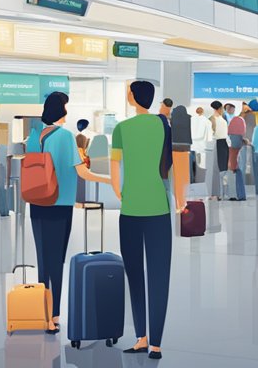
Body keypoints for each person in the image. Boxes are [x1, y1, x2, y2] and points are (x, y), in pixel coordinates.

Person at [26, 91, 113, 334]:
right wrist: (110, 181)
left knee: (43, 260)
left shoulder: (34, 136)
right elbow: (82, 173)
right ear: (60, 109)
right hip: (59, 204)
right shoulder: (64, 137)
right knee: (57, 262)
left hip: (36, 202)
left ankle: (44, 313)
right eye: (65, 106)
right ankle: (53, 316)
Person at [112, 80, 172, 360]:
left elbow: (115, 171)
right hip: (159, 207)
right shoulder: (163, 125)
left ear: (132, 97)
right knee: (159, 276)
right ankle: (156, 344)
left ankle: (141, 337)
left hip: (131, 210)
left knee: (135, 275)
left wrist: (121, 195)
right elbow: (171, 165)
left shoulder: (121, 129)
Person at [226, 103, 246, 201]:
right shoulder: (240, 122)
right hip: (238, 152)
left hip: (231, 152)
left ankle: (232, 195)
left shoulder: (232, 122)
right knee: (239, 174)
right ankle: (240, 195)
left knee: (231, 174)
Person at [209, 102, 229, 201]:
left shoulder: (212, 120)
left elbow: (211, 134)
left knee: (215, 170)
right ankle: (223, 193)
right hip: (223, 144)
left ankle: (216, 194)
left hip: (216, 144)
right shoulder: (223, 120)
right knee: (223, 170)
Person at [189, 106, 210, 190]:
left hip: (192, 145)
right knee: (201, 167)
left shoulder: (191, 119)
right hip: (202, 146)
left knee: (192, 166)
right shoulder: (206, 120)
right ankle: (201, 184)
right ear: (202, 112)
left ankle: (192, 183)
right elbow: (208, 134)